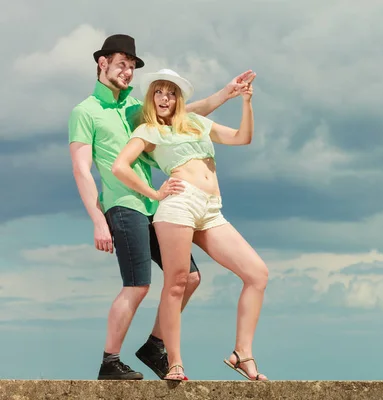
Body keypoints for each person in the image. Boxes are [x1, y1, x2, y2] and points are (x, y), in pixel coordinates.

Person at [68, 34, 256, 380]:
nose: (127, 72)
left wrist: (225, 95)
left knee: (191, 277)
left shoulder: (134, 108)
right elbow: (81, 169)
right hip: (124, 204)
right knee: (138, 284)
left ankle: (155, 345)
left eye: (132, 66)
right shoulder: (85, 112)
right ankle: (110, 360)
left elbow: (184, 114)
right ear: (102, 63)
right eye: (121, 64)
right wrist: (97, 219)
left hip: (159, 204)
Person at [112, 68, 269, 381]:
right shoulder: (148, 130)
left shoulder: (195, 122)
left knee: (257, 274)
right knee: (177, 283)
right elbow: (120, 166)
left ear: (178, 99)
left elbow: (242, 138)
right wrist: (155, 193)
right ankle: (175, 363)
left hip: (211, 210)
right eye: (158, 92)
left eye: (171, 93)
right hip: (179, 206)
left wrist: (246, 103)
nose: (164, 98)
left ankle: (242, 353)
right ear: (151, 97)